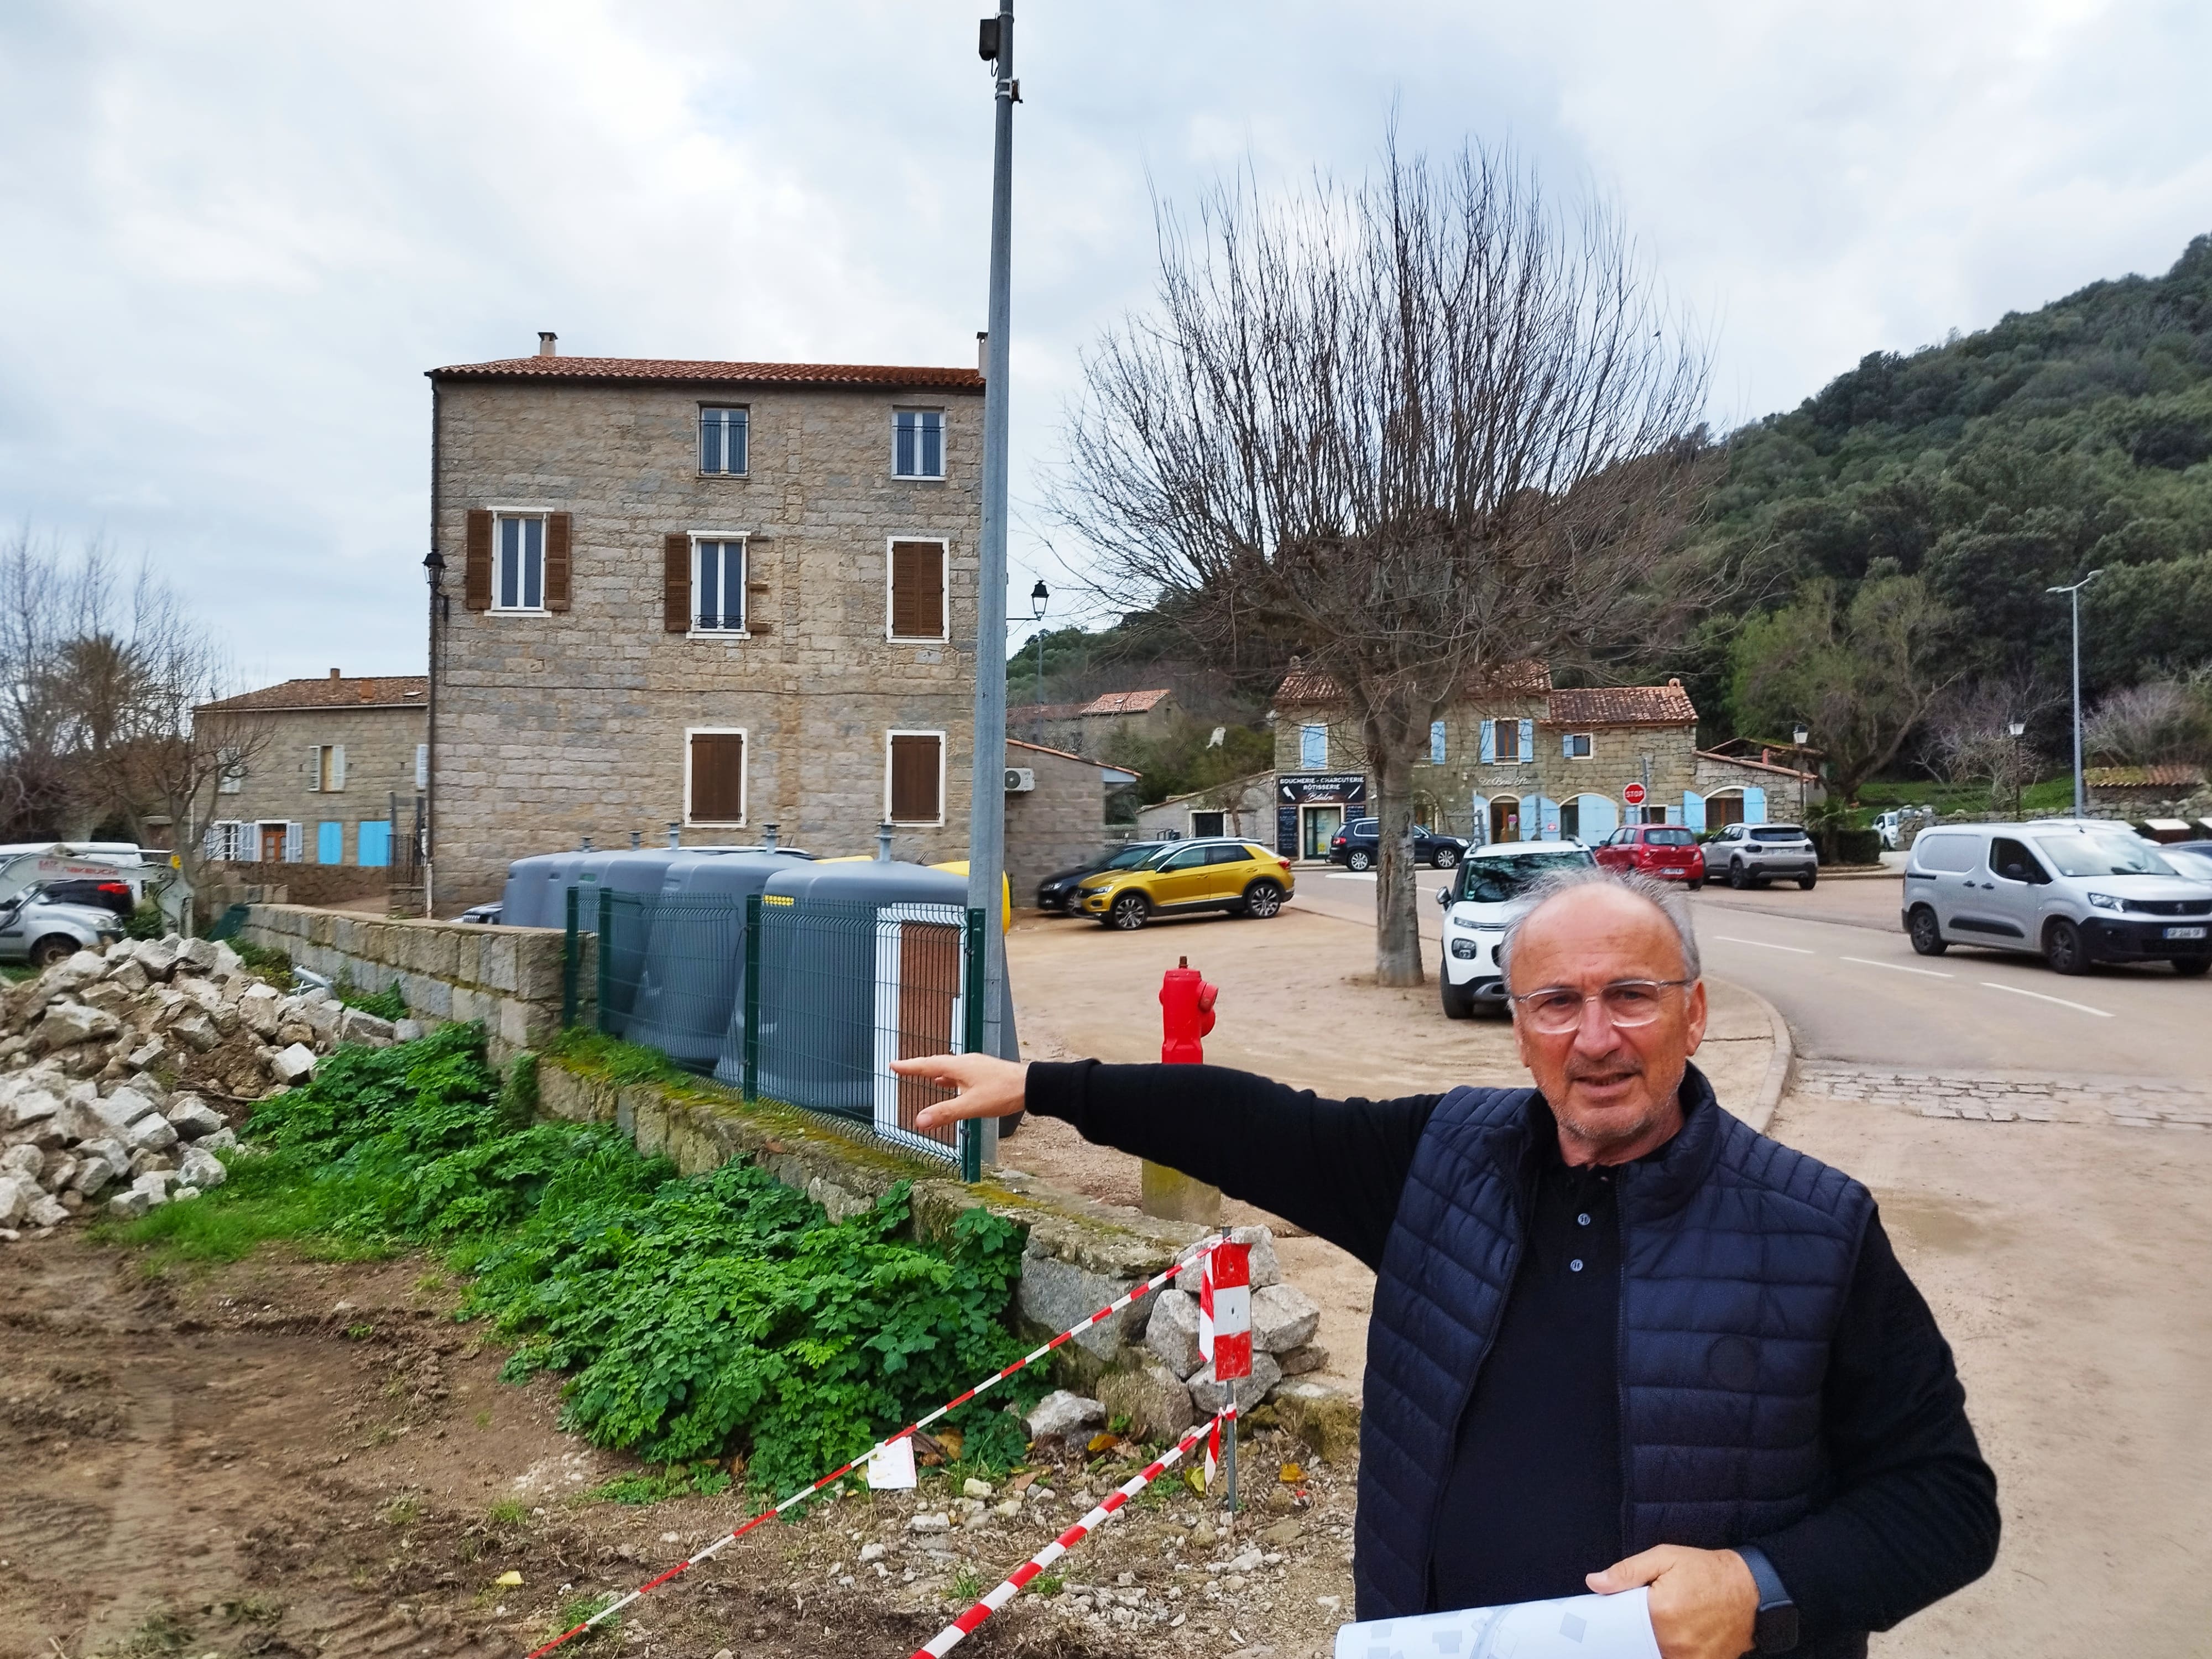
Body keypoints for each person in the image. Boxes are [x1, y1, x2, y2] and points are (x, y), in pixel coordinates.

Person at [893, 867, 1999, 1659]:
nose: (1595, 1036)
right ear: (1516, 1027)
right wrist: (1045, 1086)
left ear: (1693, 1014)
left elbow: (1943, 1504)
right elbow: (1251, 1124)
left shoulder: (1814, 1228)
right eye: (1556, 1002)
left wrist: (1759, 1589)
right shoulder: (1437, 1162)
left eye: (1630, 996)